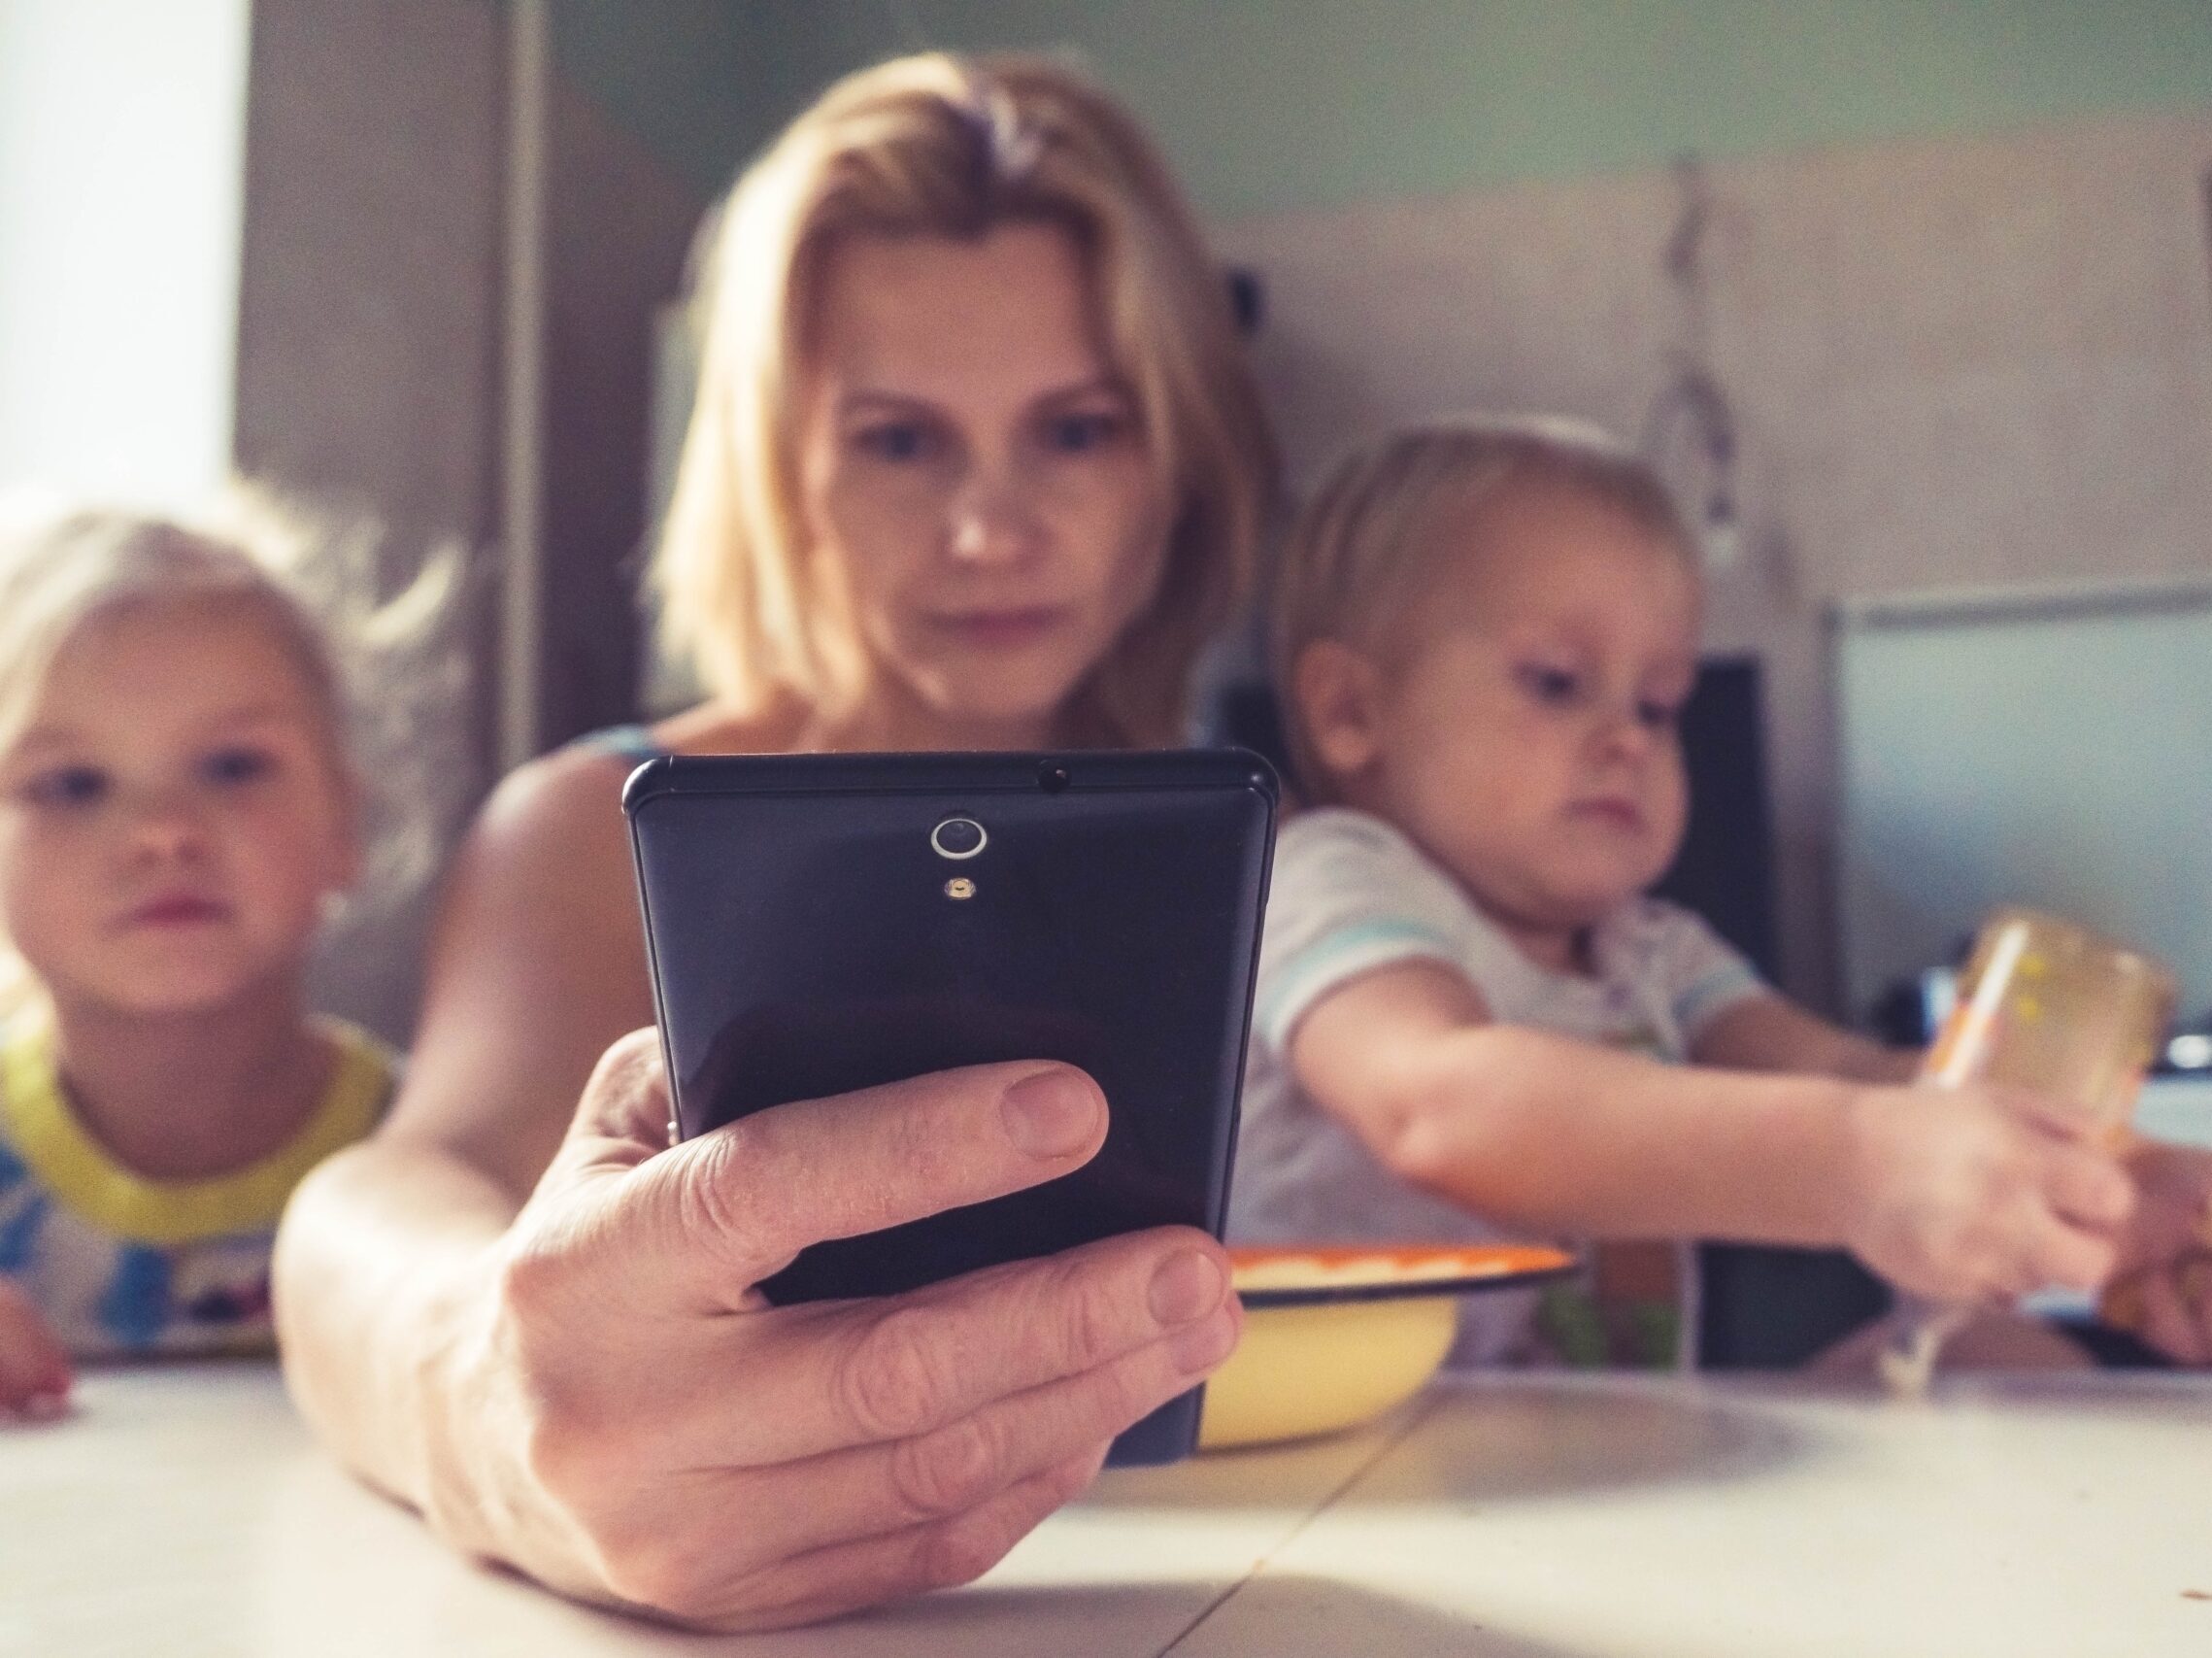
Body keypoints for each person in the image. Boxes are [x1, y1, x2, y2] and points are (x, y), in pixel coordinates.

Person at [272, 52, 1273, 1633]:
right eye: (897, 440)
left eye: (1074, 430)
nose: (988, 526)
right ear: (779, 465)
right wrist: (483, 1400)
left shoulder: (1284, 854)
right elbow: (382, 1202)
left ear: (1172, 456)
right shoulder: (586, 826)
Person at [1229, 416, 2212, 1370]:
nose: (1629, 738)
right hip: (1354, 1467)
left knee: (2012, 1356)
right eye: (1557, 681)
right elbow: (1437, 1107)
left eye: (1658, 705)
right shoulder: (1320, 878)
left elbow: (1845, 1079)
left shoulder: (1650, 949)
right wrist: (1861, 1166)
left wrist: (2091, 1180)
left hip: (1600, 1456)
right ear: (1351, 710)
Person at [0, 500, 424, 1411]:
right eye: (71, 784)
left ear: (345, 820)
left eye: (232, 766)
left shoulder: (433, 1147)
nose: (163, 833)